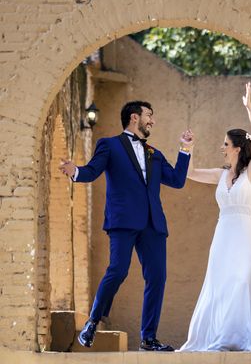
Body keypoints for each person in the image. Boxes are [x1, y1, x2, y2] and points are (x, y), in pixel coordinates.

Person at [59, 101, 193, 352]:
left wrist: (185, 149)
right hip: (122, 221)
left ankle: (148, 339)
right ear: (135, 117)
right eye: (148, 115)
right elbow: (92, 170)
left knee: (157, 277)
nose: (152, 120)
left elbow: (177, 180)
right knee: (118, 270)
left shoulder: (155, 153)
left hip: (153, 224)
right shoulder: (109, 145)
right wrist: (75, 171)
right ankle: (93, 321)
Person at [179, 82, 251, 352]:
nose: (221, 147)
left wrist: (249, 108)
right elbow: (190, 173)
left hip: (246, 231)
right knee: (221, 280)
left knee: (243, 277)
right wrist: (187, 147)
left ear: (237, 148)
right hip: (223, 232)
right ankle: (222, 333)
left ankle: (244, 334)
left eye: (225, 144)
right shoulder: (220, 174)